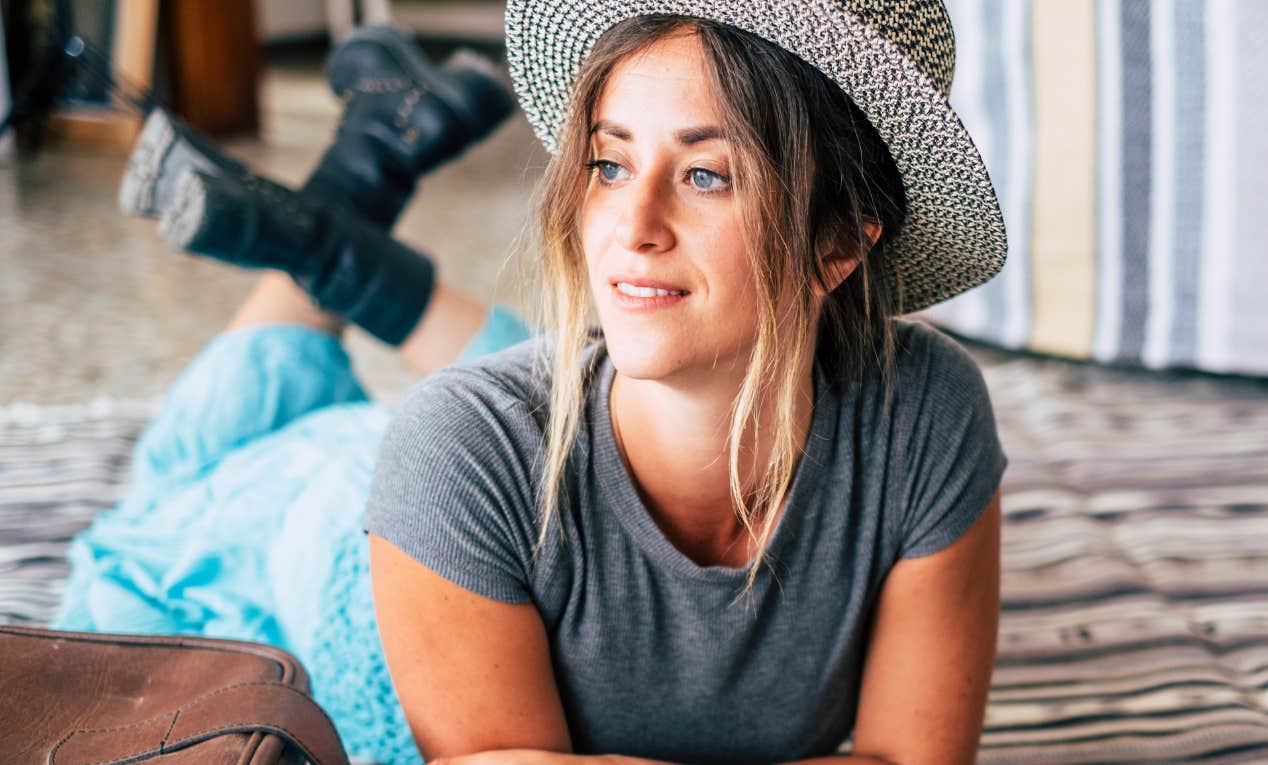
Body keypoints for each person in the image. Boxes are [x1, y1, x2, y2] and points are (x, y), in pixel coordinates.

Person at [54, 2, 1011, 764]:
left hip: (493, 487)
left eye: (708, 175)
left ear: (838, 241)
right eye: (608, 160)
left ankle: (355, 183)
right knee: (205, 452)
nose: (631, 222)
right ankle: (349, 194)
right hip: (324, 534)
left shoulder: (924, 413)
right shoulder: (456, 446)